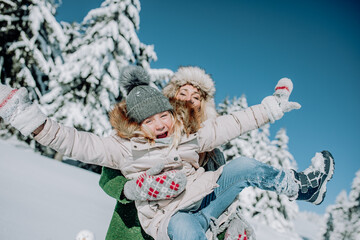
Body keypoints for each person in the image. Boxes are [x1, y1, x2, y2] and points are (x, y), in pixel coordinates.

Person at [0, 66, 334, 240]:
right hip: (169, 220)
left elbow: (234, 123)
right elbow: (72, 142)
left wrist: (269, 108)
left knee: (243, 165)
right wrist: (28, 119)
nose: (160, 124)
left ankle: (305, 187)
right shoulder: (120, 148)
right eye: (150, 120)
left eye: (163, 116)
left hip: (209, 202)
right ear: (136, 123)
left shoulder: (190, 134)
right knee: (186, 232)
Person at [99, 66, 226, 240]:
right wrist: (129, 189)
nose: (189, 100)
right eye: (183, 93)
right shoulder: (142, 130)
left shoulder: (211, 154)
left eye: (196, 97)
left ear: (202, 106)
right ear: (171, 97)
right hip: (133, 230)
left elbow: (216, 200)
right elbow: (108, 174)